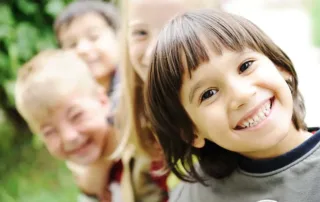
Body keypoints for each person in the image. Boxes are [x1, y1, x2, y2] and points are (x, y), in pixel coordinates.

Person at [145, 9, 320, 202]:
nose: (241, 94)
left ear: (280, 67)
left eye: (245, 66)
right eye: (209, 94)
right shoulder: (193, 195)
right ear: (191, 131)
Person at [117, 0, 221, 199]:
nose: (152, 52)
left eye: (175, 29)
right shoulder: (137, 125)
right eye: (140, 33)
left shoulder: (236, 125)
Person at [15, 50, 127, 202]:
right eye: (49, 132)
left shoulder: (141, 149)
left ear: (102, 101)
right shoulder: (85, 176)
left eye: (76, 116)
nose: (69, 137)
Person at [54, 0, 120, 96]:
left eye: (93, 37)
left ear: (118, 36)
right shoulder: (68, 98)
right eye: (72, 44)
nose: (82, 49)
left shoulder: (137, 84)